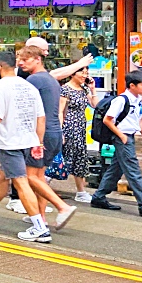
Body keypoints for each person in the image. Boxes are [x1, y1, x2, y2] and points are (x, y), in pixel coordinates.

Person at [0, 51, 52, 243]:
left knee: (21, 182)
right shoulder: (29, 87)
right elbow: (41, 117)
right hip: (28, 141)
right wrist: (38, 142)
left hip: (9, 142)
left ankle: (40, 227)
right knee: (2, 176)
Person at [12, 45, 78, 230]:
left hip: (40, 134)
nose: (21, 63)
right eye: (19, 60)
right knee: (39, 177)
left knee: (30, 176)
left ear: (38, 59)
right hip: (54, 133)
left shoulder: (33, 80)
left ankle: (62, 206)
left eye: (25, 59)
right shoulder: (50, 79)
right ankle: (41, 217)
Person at [91, 71, 142, 218]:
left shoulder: (137, 99)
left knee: (116, 169)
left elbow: (138, 121)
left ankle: (98, 197)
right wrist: (121, 136)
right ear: (132, 85)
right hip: (123, 138)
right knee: (133, 171)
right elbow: (108, 120)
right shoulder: (121, 100)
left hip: (128, 136)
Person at [59, 64, 96, 203]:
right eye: (82, 72)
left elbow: (94, 105)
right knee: (65, 157)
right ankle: (43, 186)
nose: (85, 75)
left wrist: (93, 89)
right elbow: (60, 111)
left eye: (86, 72)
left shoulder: (84, 88)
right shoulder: (65, 89)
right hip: (69, 127)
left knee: (80, 158)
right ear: (73, 74)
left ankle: (81, 192)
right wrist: (60, 131)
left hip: (80, 128)